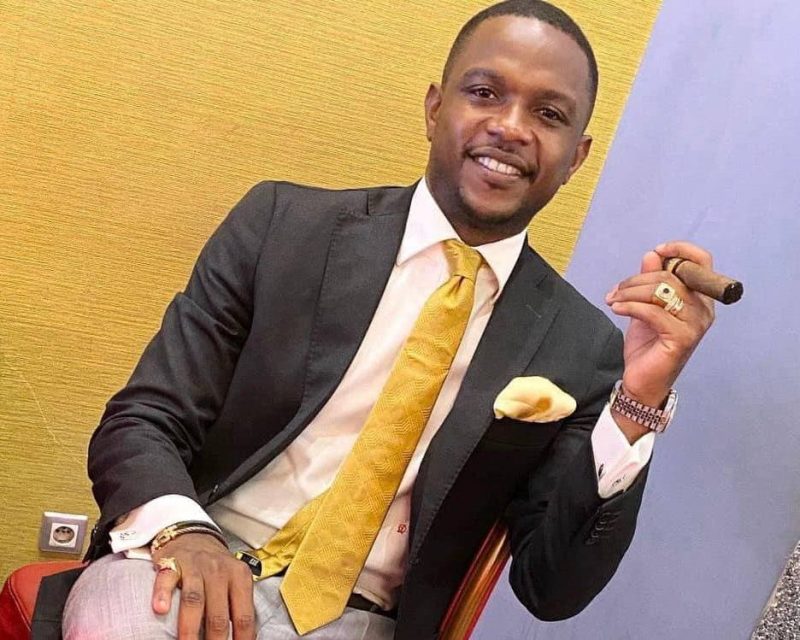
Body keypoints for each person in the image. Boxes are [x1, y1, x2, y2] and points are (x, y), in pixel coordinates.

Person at [37, 1, 715, 639]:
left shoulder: (581, 345)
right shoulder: (282, 227)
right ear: (434, 108)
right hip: (185, 564)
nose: (511, 126)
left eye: (548, 113)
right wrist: (184, 533)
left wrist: (639, 400)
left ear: (576, 157)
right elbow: (144, 418)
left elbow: (552, 589)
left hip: (363, 621)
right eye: (485, 92)